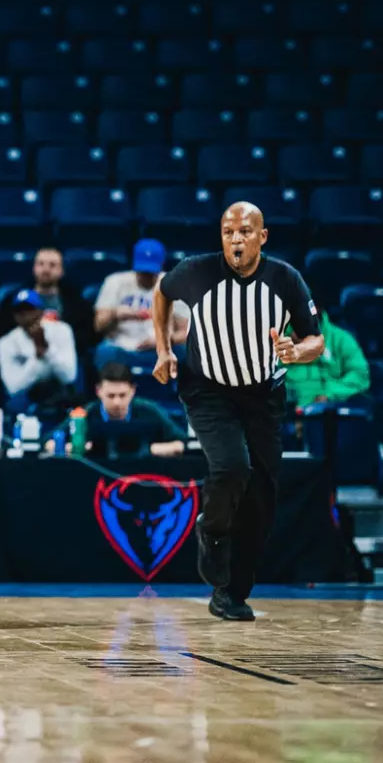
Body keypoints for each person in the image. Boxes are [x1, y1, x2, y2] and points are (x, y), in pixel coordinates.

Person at [152, 201, 324, 622]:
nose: (236, 239)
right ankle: (211, 531)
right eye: (229, 232)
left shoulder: (286, 279)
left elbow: (314, 340)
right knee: (231, 468)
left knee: (262, 498)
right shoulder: (197, 272)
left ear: (262, 237)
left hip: (263, 396)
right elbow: (161, 291)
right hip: (208, 389)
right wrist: (163, 349)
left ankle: (231, 592)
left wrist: (295, 352)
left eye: (245, 232)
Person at [95, 239, 189, 370]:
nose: (146, 276)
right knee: (104, 351)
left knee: (185, 352)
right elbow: (98, 326)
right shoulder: (115, 282)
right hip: (121, 348)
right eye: (143, 271)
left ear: (161, 266)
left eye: (151, 272)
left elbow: (186, 332)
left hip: (159, 350)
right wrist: (116, 314)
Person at [60, 362, 186, 459]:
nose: (117, 402)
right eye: (111, 395)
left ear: (133, 391)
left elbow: (184, 443)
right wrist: (79, 447)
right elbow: (48, 442)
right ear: (98, 391)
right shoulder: (84, 414)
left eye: (122, 395)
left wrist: (152, 449)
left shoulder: (150, 411)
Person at [0, 289, 79, 419]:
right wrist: (37, 357)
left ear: (41, 312)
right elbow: (13, 387)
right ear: (14, 316)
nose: (26, 316)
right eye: (20, 312)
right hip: (26, 397)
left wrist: (47, 350)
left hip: (59, 392)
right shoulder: (6, 343)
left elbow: (69, 376)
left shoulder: (62, 330)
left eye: (30, 310)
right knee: (16, 401)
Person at [280, 311, 371, 409]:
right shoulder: (276, 340)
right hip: (285, 413)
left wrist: (329, 394)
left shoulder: (341, 339)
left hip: (327, 412)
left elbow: (360, 376)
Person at [29, 247, 96, 353]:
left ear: (61, 271)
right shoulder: (15, 299)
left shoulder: (77, 303)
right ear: (34, 268)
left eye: (52, 265)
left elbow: (87, 336)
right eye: (41, 264)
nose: (46, 270)